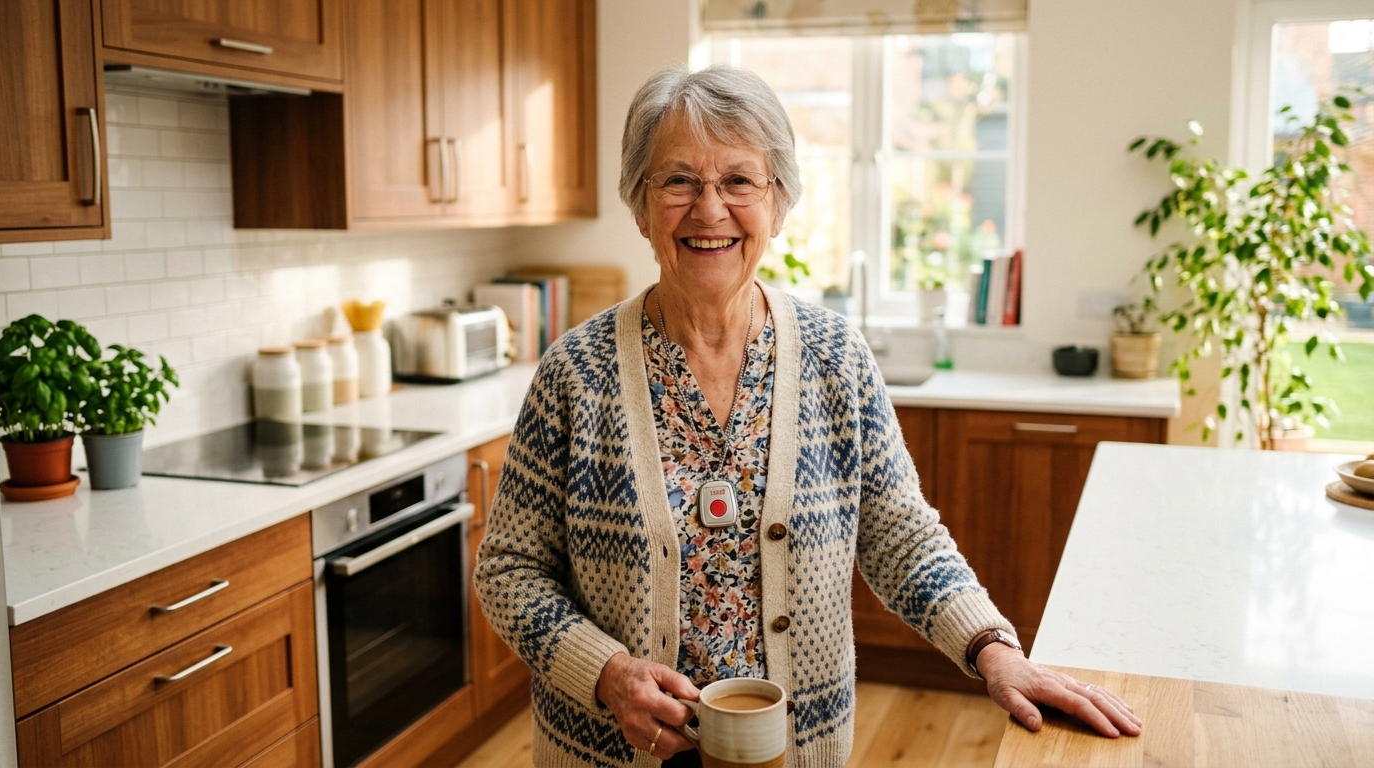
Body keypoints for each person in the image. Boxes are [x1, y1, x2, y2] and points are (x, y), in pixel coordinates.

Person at [474, 64, 1141, 767]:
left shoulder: (835, 358)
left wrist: (994, 648)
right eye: (678, 181)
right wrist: (606, 673)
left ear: (779, 202)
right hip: (608, 750)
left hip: (795, 749)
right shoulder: (574, 374)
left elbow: (901, 537)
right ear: (640, 206)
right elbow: (509, 569)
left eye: (738, 181)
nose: (709, 210)